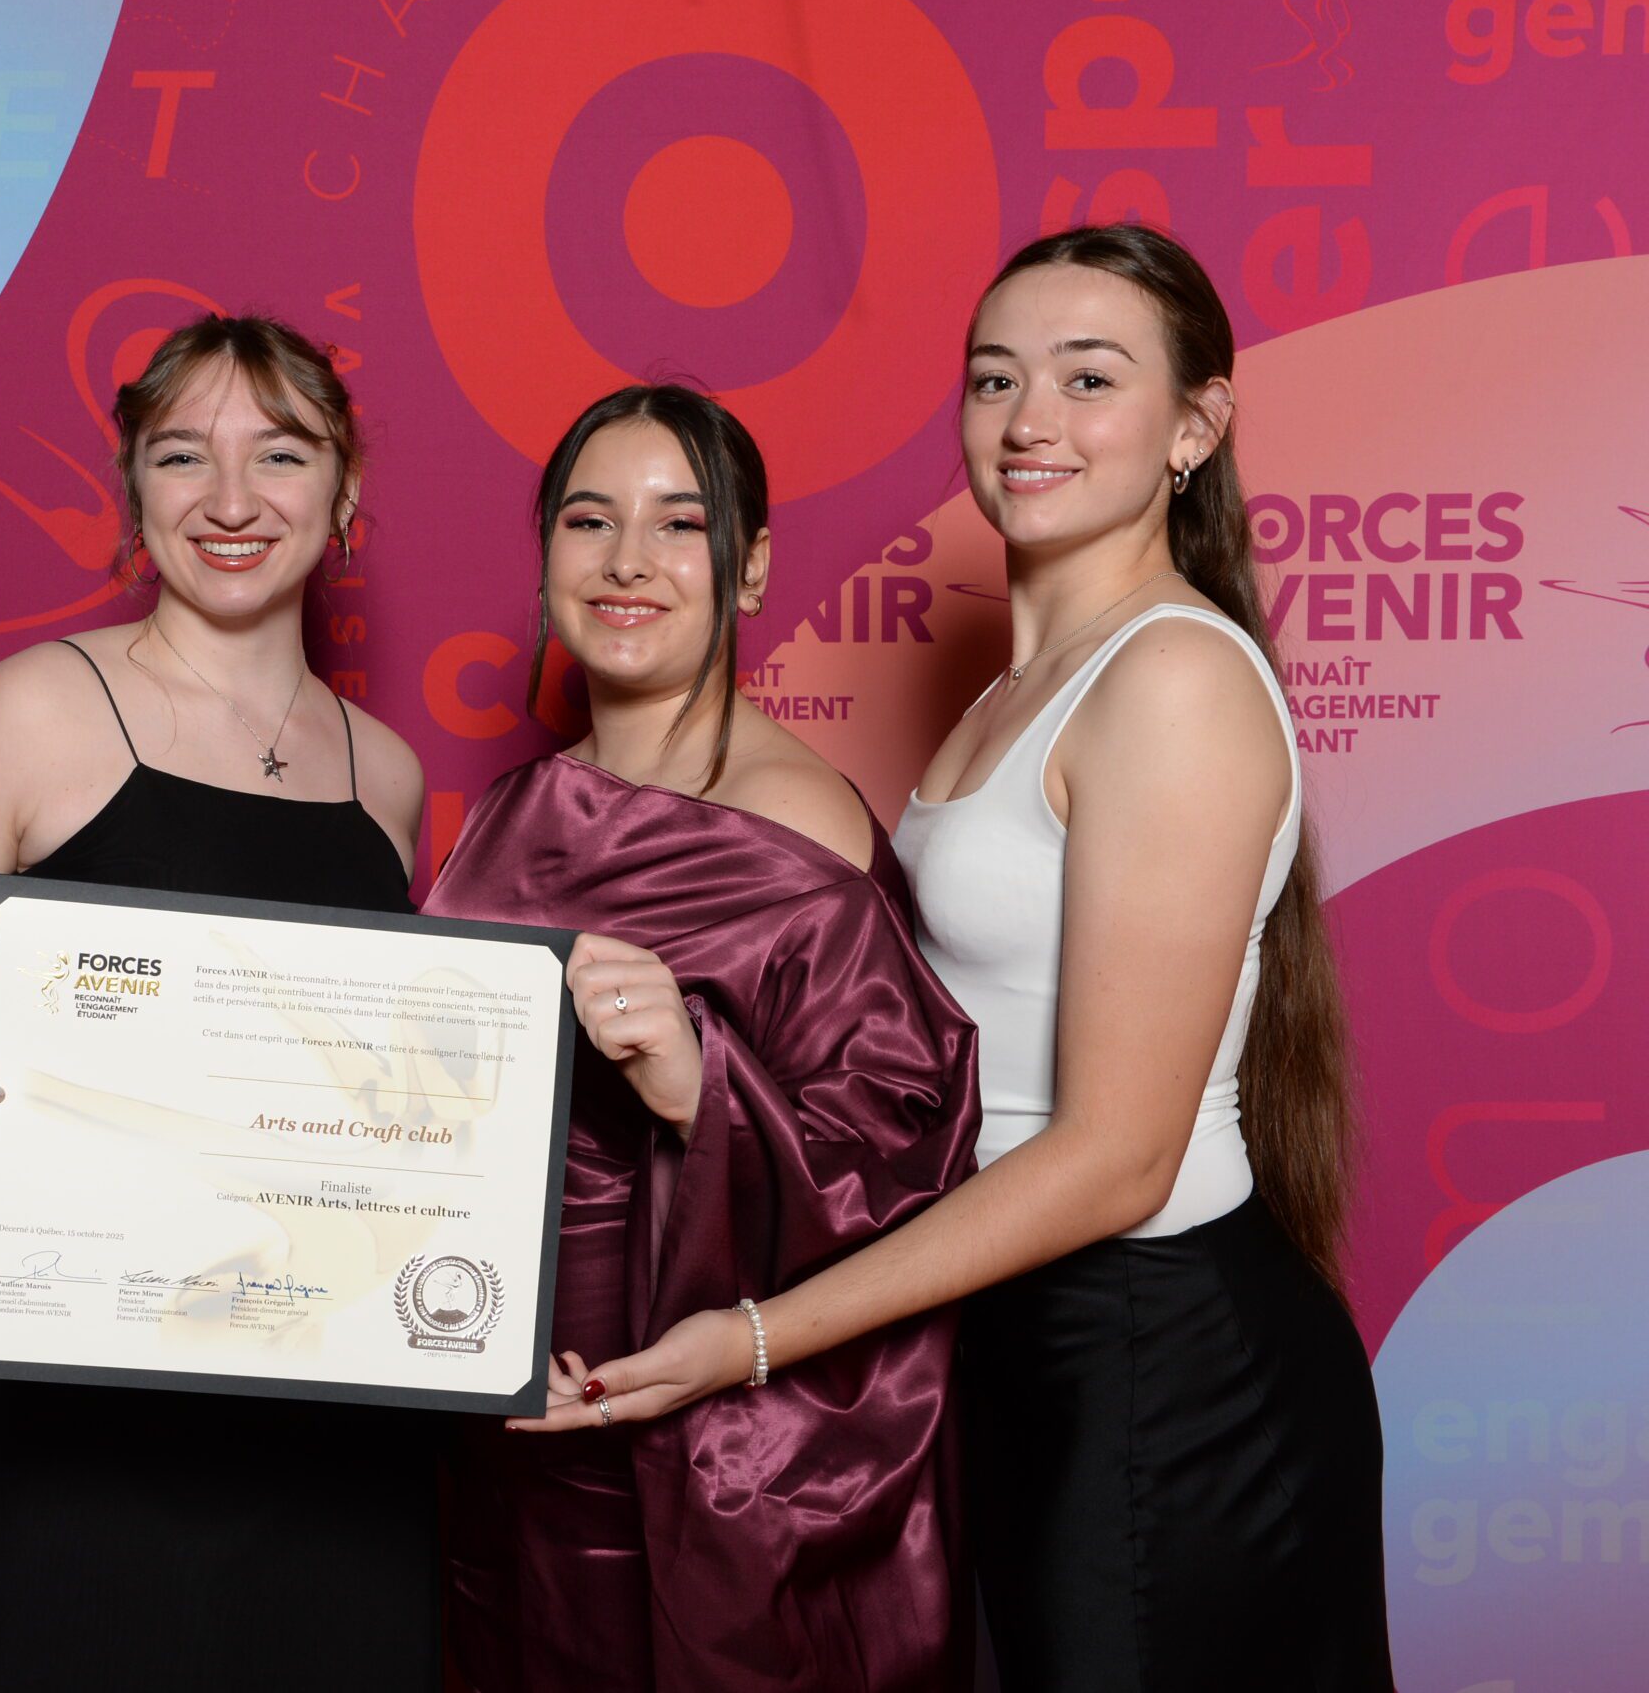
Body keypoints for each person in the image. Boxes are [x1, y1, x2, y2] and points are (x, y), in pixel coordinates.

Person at [531, 227, 1394, 1691]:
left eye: (1088, 377)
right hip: (1020, 1335)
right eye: (995, 378)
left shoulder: (1172, 678)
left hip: (1155, 1357)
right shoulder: (1022, 687)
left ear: (1197, 425)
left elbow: (1117, 1157)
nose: (1029, 420)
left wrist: (754, 1340)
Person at [0, 313, 433, 1689]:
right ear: (133, 494)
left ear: (347, 494)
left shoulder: (388, 773)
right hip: (92, 1408)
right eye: (184, 457)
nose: (234, 503)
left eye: (282, 456)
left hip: (335, 1411)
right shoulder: (37, 710)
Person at [427, 384, 983, 1692]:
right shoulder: (505, 812)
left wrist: (700, 1089)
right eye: (588, 520)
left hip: (718, 1460)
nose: (627, 561)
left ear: (753, 566)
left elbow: (907, 1171)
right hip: (499, 1425)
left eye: (681, 524)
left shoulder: (806, 837)